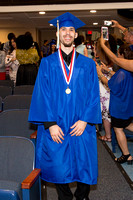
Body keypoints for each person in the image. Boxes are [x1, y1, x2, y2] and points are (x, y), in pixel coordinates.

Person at [28, 12, 102, 200]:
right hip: (57, 122)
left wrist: (85, 120)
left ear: (76, 35)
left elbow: (94, 94)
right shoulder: (47, 63)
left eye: (71, 30)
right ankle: (65, 197)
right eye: (64, 30)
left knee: (84, 162)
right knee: (58, 163)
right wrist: (50, 124)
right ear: (58, 34)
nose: (67, 34)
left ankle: (83, 195)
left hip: (80, 122)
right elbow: (41, 94)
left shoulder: (88, 64)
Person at [96, 43, 133, 164]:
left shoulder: (122, 72)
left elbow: (110, 84)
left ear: (122, 55)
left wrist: (100, 73)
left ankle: (126, 155)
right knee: (127, 124)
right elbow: (119, 78)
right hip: (127, 105)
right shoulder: (128, 70)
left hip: (119, 107)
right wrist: (106, 70)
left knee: (118, 129)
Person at [95, 35, 117, 142]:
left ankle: (108, 136)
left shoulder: (100, 64)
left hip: (105, 89)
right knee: (108, 114)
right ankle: (111, 134)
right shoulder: (113, 61)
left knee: (105, 114)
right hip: (112, 91)